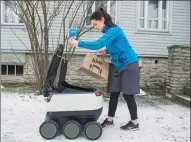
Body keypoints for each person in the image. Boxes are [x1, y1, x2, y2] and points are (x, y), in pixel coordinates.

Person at [69, 8, 140, 131]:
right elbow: (116, 45)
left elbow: (97, 44)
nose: (95, 27)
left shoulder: (114, 30)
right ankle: (109, 120)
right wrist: (106, 50)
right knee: (114, 93)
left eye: (95, 24)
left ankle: (134, 123)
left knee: (128, 95)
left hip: (129, 64)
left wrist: (78, 43)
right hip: (118, 65)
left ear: (102, 20)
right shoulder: (108, 33)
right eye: (93, 25)